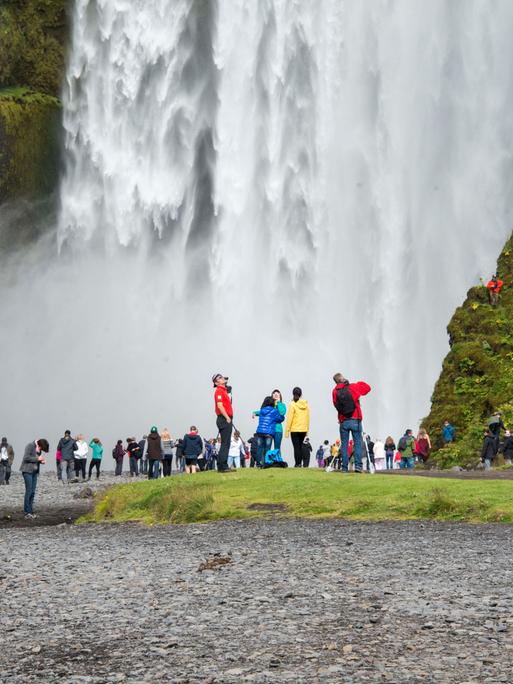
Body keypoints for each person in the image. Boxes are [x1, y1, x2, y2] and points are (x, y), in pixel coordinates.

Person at [332, 373, 371, 473]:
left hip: (343, 421)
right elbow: (367, 388)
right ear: (342, 379)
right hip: (355, 419)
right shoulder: (352, 387)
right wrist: (358, 382)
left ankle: (344, 468)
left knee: (344, 444)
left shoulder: (334, 392)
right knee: (357, 443)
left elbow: (336, 406)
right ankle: (358, 466)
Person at [20, 438, 49, 519]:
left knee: (33, 492)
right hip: (27, 471)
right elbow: (26, 458)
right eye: (41, 448)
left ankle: (30, 511)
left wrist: (41, 461)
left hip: (34, 472)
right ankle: (26, 512)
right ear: (38, 445)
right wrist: (37, 459)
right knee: (28, 491)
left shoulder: (38, 447)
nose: (40, 450)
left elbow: (36, 458)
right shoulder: (30, 446)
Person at [255, 396, 286, 467]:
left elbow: (258, 413)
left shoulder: (262, 410)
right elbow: (280, 418)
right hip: (268, 433)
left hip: (259, 432)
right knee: (267, 448)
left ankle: (258, 463)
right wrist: (283, 417)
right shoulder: (274, 411)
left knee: (259, 448)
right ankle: (266, 462)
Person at [212, 373, 234, 473]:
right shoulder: (219, 391)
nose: (222, 378)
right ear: (216, 382)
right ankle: (222, 466)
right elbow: (220, 406)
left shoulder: (223, 390)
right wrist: (227, 417)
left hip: (226, 418)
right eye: (219, 378)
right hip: (224, 418)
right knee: (225, 443)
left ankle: (223, 465)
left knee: (226, 443)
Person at [284, 387, 310, 467]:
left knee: (296, 448)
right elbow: (308, 418)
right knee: (301, 447)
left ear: (293, 393)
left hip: (294, 429)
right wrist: (307, 431)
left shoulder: (292, 404)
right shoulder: (306, 404)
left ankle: (297, 464)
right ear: (301, 394)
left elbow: (289, 418)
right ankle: (301, 463)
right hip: (303, 429)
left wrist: (287, 431)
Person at [271, 389, 287, 454]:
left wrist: (278, 403)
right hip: (269, 428)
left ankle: (278, 462)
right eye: (274, 393)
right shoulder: (269, 405)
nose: (276, 394)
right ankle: (266, 462)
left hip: (278, 429)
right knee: (267, 446)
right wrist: (255, 413)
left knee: (277, 447)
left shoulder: (282, 405)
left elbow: (282, 412)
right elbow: (264, 412)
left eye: (277, 393)